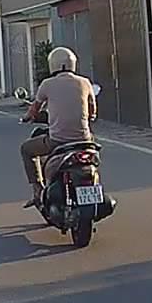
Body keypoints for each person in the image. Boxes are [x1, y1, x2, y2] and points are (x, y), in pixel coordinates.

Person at [20, 47, 97, 208]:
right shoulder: (85, 82)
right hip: (84, 140)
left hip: (58, 141)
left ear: (52, 64)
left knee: (26, 149)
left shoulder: (47, 84)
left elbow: (34, 109)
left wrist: (28, 117)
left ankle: (37, 189)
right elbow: (92, 111)